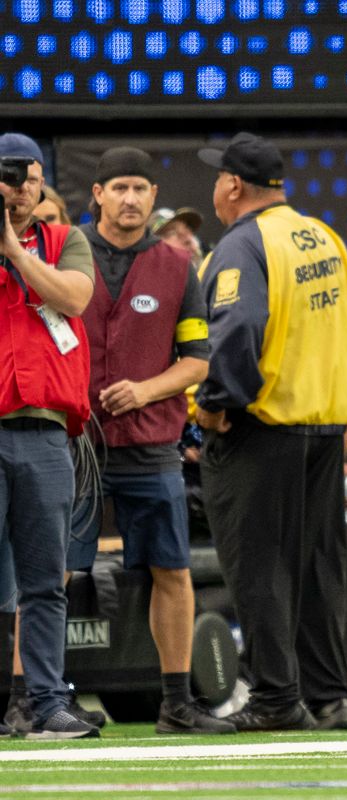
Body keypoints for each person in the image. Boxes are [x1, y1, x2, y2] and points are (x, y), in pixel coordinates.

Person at [194, 132, 347, 732]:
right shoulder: (324, 237)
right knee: (318, 568)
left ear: (232, 185)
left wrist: (216, 403)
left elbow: (238, 326)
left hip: (261, 428)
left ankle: (276, 698)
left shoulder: (243, 244)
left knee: (259, 567)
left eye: (218, 178)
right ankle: (330, 698)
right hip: (326, 429)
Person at [60, 147, 233, 735]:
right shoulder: (65, 255)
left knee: (172, 570)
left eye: (140, 188)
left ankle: (177, 704)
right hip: (72, 443)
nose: (130, 198)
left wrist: (144, 390)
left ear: (154, 196)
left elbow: (197, 362)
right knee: (53, 574)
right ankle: (38, 697)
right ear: (98, 195)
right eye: (119, 188)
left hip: (150, 443)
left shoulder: (177, 267)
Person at [0, 132, 99, 738]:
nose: (19, 190)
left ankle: (46, 704)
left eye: (30, 179)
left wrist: (13, 250)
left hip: (44, 432)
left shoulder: (66, 241)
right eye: (10, 177)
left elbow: (76, 298)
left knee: (44, 580)